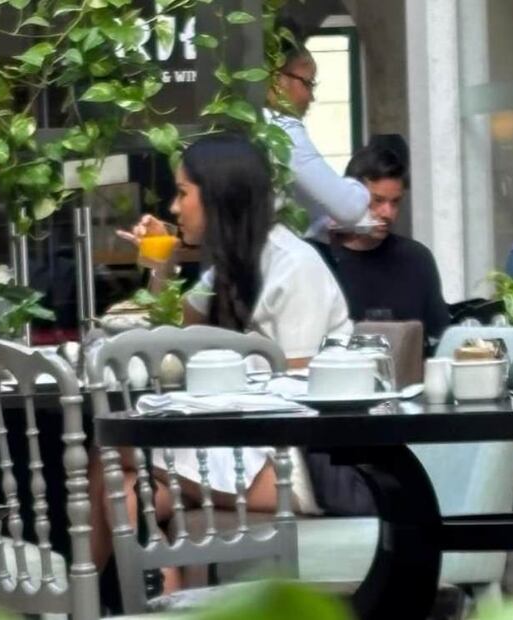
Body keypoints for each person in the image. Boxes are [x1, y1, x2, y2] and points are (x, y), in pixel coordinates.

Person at [100, 133, 352, 589]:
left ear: (217, 195)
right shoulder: (229, 267)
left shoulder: (295, 265)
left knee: (109, 452)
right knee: (120, 490)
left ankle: (71, 605)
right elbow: (175, 335)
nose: (175, 209)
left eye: (182, 193)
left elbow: (295, 387)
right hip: (235, 441)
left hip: (292, 458)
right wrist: (161, 266)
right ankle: (159, 602)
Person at [312, 144, 451, 346]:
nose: (388, 213)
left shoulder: (416, 258)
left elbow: (440, 338)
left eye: (395, 202)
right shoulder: (318, 259)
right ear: (350, 198)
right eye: (377, 200)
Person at [267, 20, 371, 238]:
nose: (311, 97)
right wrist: (359, 186)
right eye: (308, 83)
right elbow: (349, 207)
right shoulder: (282, 133)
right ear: (277, 78)